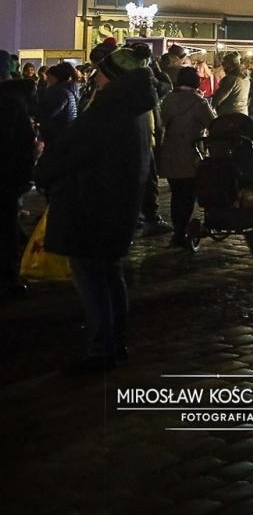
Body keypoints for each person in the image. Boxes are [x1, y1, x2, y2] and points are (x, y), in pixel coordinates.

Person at [34, 43, 159, 373]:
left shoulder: (107, 112)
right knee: (109, 276)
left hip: (90, 207)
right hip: (116, 207)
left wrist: (45, 173)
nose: (95, 78)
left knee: (91, 281)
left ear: (114, 77)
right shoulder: (134, 110)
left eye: (101, 72)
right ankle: (115, 342)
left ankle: (101, 347)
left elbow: (71, 154)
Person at [156, 67, 215, 248]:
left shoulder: (168, 100)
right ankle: (182, 230)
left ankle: (178, 231)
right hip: (191, 153)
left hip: (171, 153)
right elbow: (212, 124)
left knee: (177, 194)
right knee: (188, 195)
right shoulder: (198, 102)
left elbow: (160, 125)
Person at [0, 78, 39, 297]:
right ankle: (9, 277)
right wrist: (26, 176)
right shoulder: (16, 107)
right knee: (6, 226)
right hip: (8, 177)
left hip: (6, 175)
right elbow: (22, 146)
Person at [211, 52, 249, 117]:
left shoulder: (231, 79)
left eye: (224, 64)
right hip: (243, 113)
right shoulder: (246, 79)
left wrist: (211, 107)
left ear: (230, 65)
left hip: (230, 115)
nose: (223, 67)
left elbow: (219, 97)